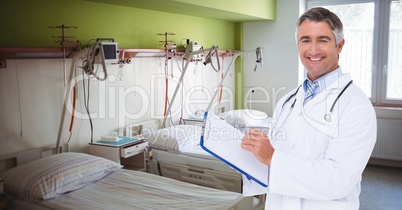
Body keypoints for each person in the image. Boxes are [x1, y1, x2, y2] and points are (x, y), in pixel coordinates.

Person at [241, 7, 377, 210]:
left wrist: (272, 157)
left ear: (339, 46)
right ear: (298, 45)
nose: (313, 50)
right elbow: (275, 163)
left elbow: (338, 179)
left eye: (323, 40)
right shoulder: (287, 102)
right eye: (305, 40)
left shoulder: (356, 106)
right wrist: (246, 160)